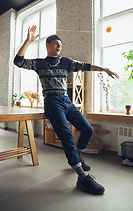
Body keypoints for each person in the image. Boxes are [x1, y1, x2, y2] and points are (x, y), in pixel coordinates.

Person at [14, 25, 119, 195]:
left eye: (60, 45)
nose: (59, 47)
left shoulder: (65, 62)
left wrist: (104, 69)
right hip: (52, 102)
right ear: (47, 45)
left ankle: (77, 157)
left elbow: (85, 66)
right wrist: (28, 41)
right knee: (67, 136)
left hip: (66, 101)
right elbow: (18, 62)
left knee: (87, 129)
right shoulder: (39, 63)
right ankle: (82, 178)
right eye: (55, 44)